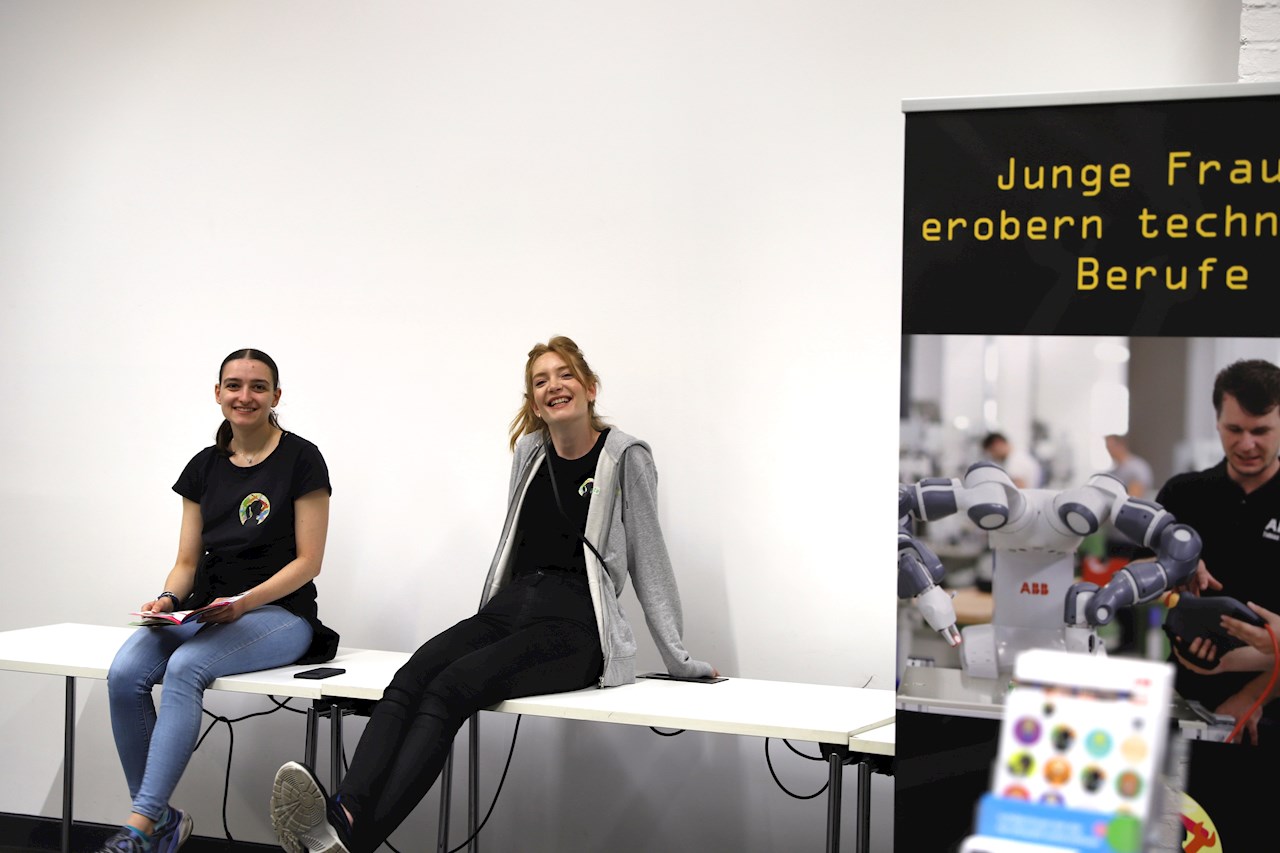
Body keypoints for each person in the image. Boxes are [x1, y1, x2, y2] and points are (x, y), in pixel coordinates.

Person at [270, 335, 715, 853]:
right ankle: (345, 812)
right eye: (540, 381)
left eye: (565, 375)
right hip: (510, 608)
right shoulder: (530, 451)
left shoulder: (626, 456)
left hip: (575, 624)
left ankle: (352, 840)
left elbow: (648, 557)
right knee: (412, 676)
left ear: (590, 387)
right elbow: (515, 541)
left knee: (451, 688)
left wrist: (678, 659)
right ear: (534, 402)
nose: (554, 386)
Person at [101, 349, 336, 853]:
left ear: (276, 396)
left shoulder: (302, 459)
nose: (244, 396)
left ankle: (140, 827)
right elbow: (186, 562)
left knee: (186, 667)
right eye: (234, 385)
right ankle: (162, 821)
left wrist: (245, 602)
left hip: (279, 614)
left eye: (257, 387)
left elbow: (309, 562)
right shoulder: (203, 467)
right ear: (217, 393)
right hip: (208, 610)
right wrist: (168, 598)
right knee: (124, 673)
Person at [1160, 358, 1280, 744]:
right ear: (1217, 422)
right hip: (1183, 696)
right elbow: (1139, 576)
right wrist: (1172, 566)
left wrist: (1252, 697)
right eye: (1234, 429)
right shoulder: (1183, 493)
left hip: (1266, 707)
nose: (1247, 444)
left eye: (1261, 431)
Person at [1104, 434, 1153, 499]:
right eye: (1108, 448)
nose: (1109, 451)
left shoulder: (1137, 467)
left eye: (1111, 447)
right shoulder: (1113, 472)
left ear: (1121, 445)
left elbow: (1133, 497)